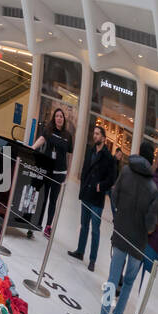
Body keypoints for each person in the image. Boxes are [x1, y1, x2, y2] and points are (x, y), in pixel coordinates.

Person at [88, 140, 157, 314]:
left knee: (112, 281)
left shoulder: (126, 171)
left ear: (138, 154)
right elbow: (151, 224)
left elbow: (114, 197)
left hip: (121, 235)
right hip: (138, 244)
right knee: (127, 285)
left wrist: (120, 217)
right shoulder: (153, 189)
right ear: (151, 159)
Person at [68, 124, 116, 271]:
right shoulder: (90, 150)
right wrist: (83, 185)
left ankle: (93, 260)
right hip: (87, 193)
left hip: (97, 198)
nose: (94, 136)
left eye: (97, 134)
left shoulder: (108, 157)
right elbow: (84, 170)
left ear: (103, 137)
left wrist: (101, 186)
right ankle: (80, 252)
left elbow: (112, 178)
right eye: (94, 133)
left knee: (95, 230)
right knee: (84, 225)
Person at [32, 107, 73, 236]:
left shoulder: (68, 135)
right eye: (57, 116)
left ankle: (48, 226)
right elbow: (41, 140)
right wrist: (32, 148)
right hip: (47, 170)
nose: (59, 118)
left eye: (61, 116)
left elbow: (69, 155)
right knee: (43, 198)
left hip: (60, 173)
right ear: (54, 118)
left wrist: (69, 172)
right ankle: (36, 223)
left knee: (53, 200)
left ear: (64, 119)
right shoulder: (48, 130)